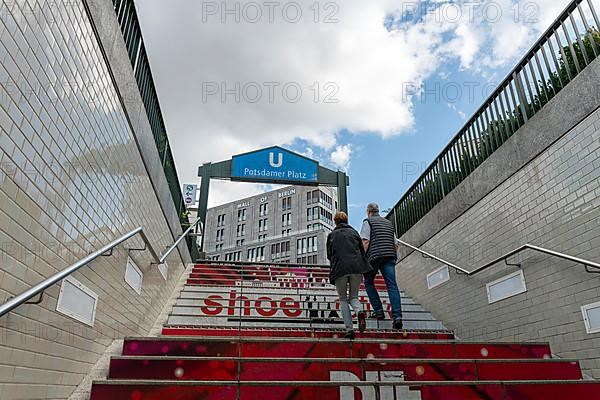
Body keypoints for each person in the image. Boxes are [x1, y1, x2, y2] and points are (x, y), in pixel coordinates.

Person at [326, 211, 372, 339]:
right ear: (346, 221)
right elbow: (362, 250)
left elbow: (329, 255)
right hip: (357, 268)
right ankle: (359, 311)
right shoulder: (354, 233)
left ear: (335, 221)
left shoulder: (331, 235)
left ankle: (349, 329)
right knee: (354, 296)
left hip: (340, 269)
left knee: (343, 299)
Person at [360, 203, 403, 329]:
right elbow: (396, 244)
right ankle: (397, 317)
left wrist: (362, 258)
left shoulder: (367, 222)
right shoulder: (388, 223)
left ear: (369, 212)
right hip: (389, 256)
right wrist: (393, 256)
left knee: (368, 282)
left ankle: (379, 312)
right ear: (378, 211)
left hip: (374, 256)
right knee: (392, 285)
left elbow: (365, 241)